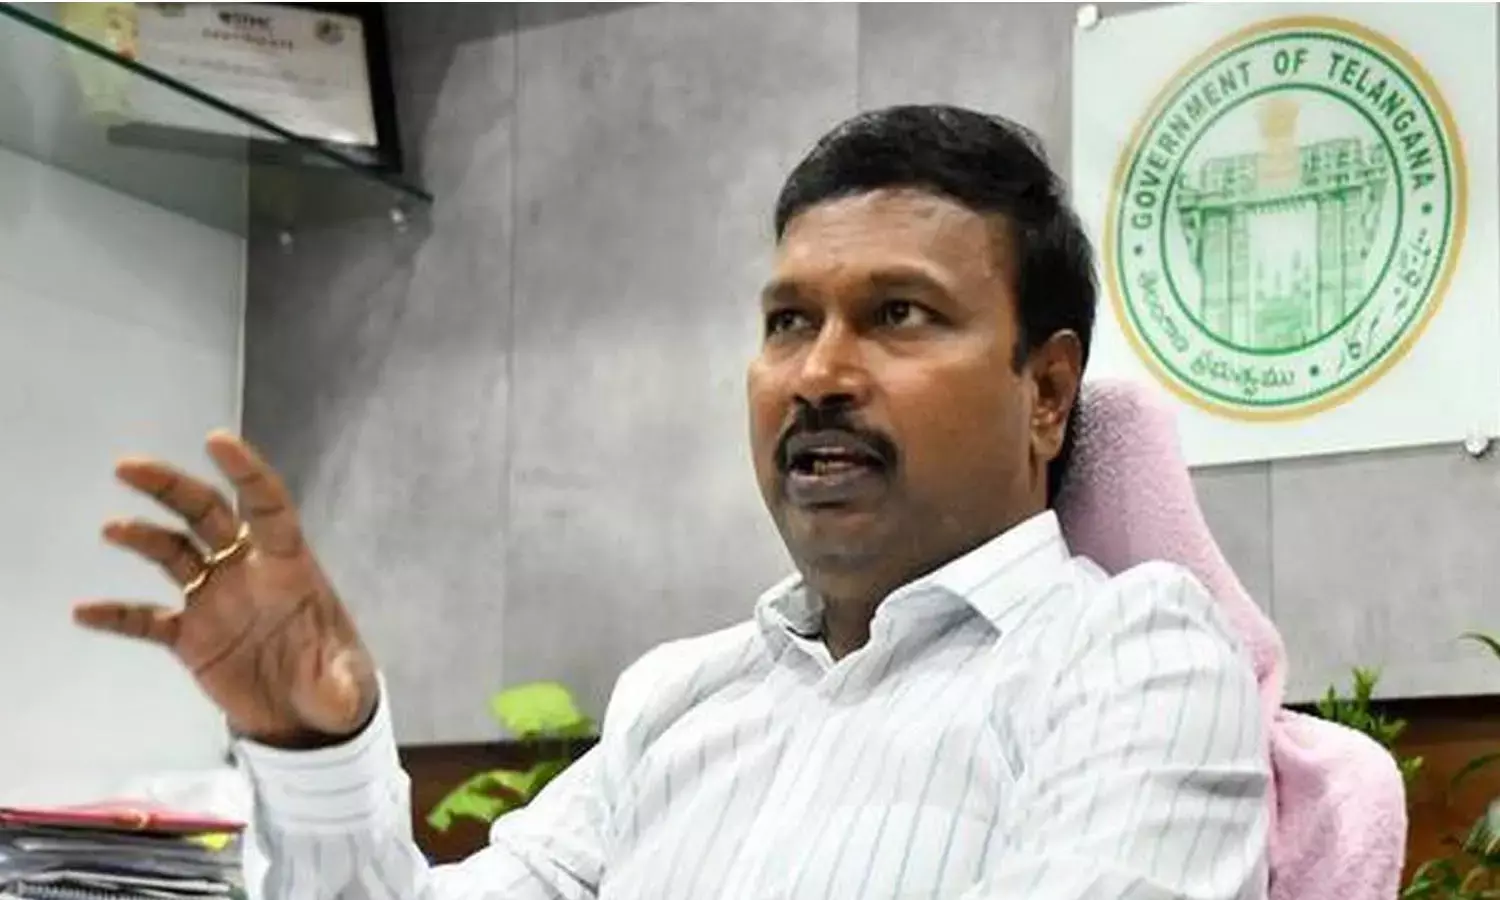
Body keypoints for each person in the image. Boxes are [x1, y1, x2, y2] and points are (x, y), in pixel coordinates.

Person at [76, 105, 1269, 900]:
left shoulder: (1132, 655)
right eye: (788, 321)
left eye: (898, 315)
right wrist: (314, 746)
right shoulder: (683, 699)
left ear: (1045, 393)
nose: (817, 374)